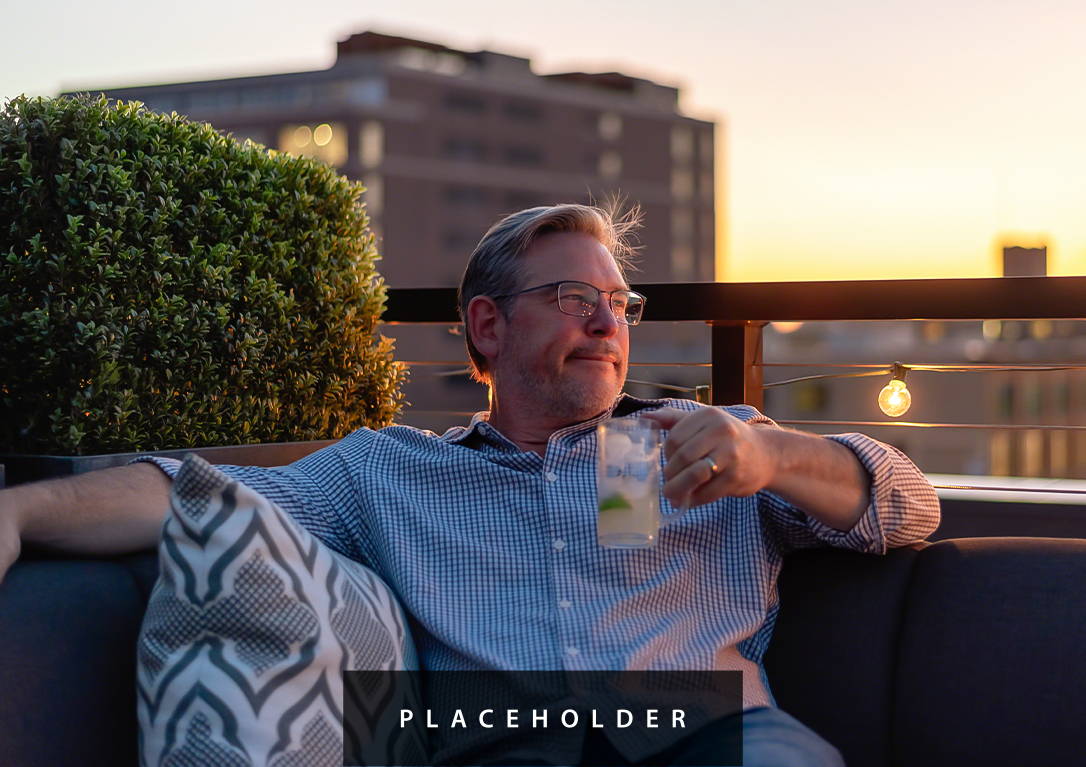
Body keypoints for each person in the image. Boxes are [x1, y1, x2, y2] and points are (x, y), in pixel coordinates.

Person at [0, 203, 940, 766]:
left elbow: (908, 502)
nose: (609, 323)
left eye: (620, 304)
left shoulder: (696, 443)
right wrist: (18, 510)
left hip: (705, 731)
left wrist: (775, 458)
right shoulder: (387, 471)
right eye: (577, 299)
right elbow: (189, 495)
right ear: (487, 327)